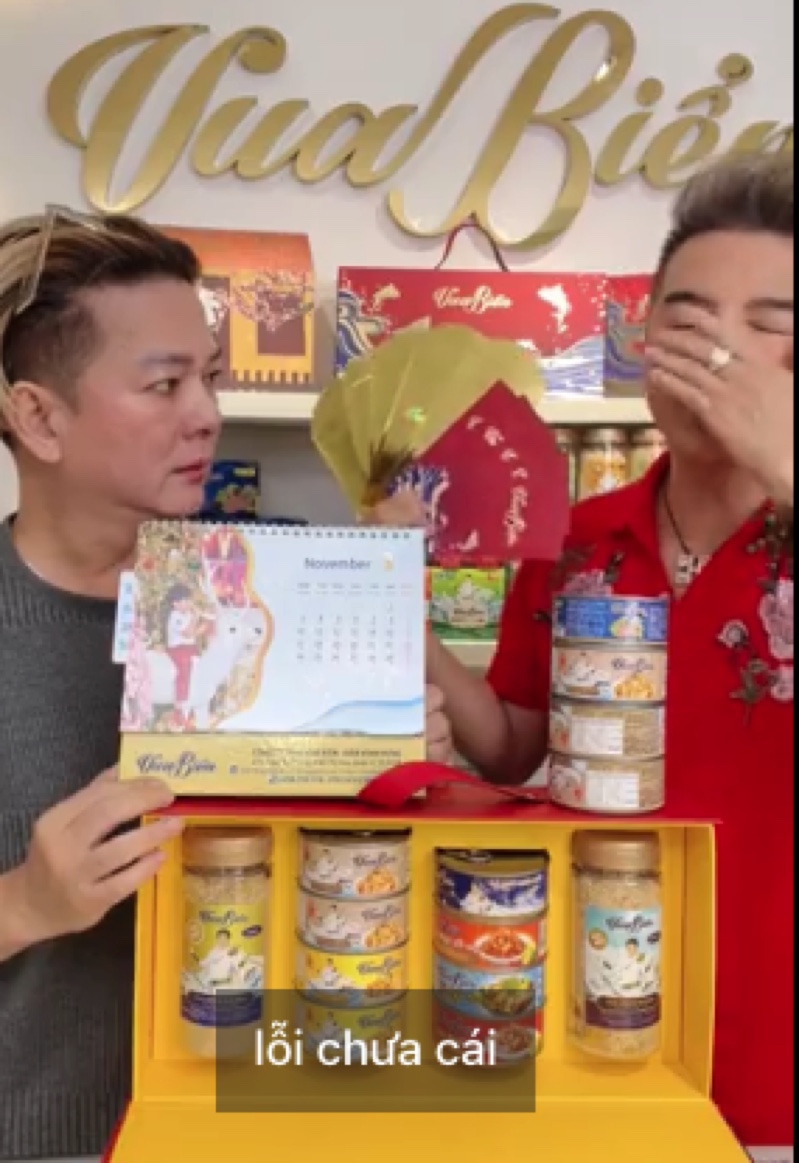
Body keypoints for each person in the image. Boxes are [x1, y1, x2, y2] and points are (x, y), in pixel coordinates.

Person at [0, 209, 453, 1160]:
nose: (206, 412)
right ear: (38, 417)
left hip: (264, 1124)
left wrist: (397, 771)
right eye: (165, 383)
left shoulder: (273, 593)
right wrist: (25, 905)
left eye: (210, 376)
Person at [375, 153, 794, 1152]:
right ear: (643, 342)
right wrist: (393, 595)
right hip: (594, 1029)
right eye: (690, 321)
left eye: (769, 325)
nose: (719, 355)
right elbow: (512, 742)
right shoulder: (577, 536)